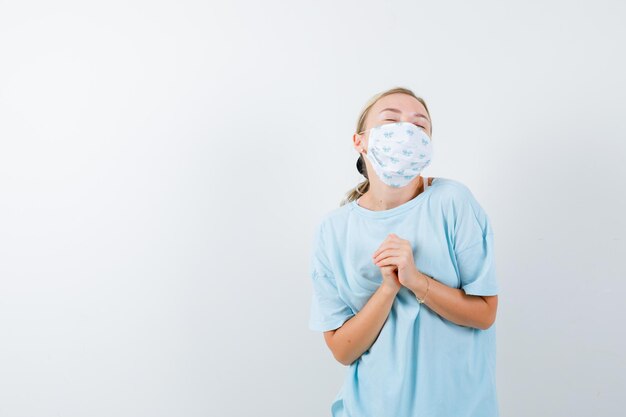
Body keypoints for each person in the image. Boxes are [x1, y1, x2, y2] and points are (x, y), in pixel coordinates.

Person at [307, 86, 500, 417]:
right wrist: (388, 288)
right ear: (360, 141)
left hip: (460, 407)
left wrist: (416, 280)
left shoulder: (452, 202)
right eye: (391, 120)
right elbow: (342, 349)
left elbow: (484, 313)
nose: (406, 130)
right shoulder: (334, 230)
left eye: (419, 125)